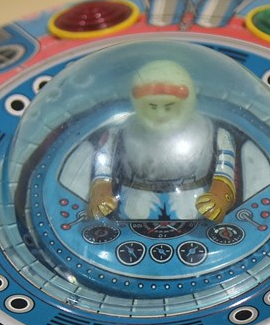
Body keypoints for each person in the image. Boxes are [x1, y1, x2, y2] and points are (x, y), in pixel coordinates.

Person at [88, 59, 237, 221]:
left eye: (169, 106)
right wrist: (100, 193)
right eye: (152, 106)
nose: (160, 115)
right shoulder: (116, 134)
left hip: (194, 204)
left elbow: (225, 174)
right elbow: (102, 171)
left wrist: (219, 198)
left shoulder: (215, 134)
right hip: (134, 202)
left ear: (186, 103)